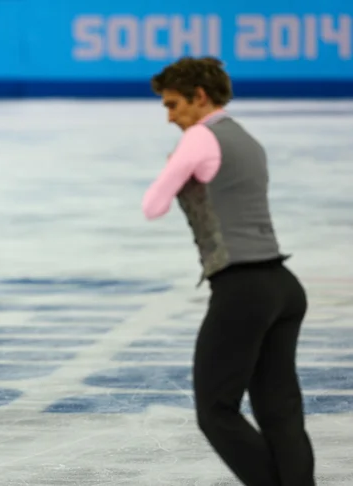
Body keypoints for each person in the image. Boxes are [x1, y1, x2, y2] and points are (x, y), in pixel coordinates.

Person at [141, 57, 316, 485]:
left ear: (200, 97)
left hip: (242, 291)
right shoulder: (247, 139)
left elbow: (153, 205)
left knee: (216, 411)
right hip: (282, 287)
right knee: (280, 412)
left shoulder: (199, 138)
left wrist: (175, 166)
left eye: (173, 105)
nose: (169, 117)